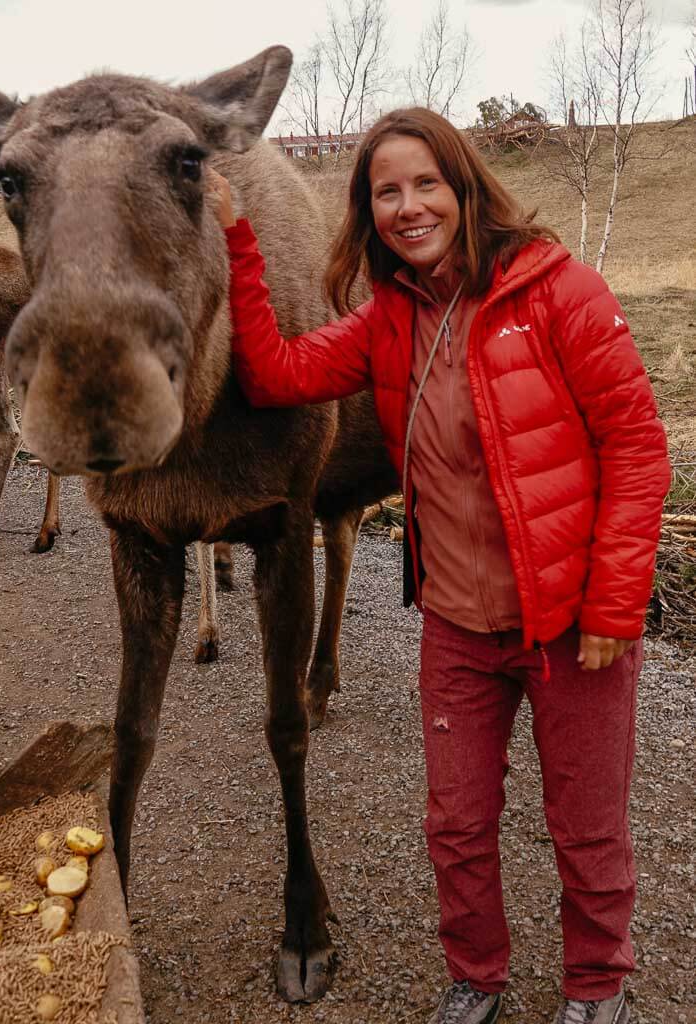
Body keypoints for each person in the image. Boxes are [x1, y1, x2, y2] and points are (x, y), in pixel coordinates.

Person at [206, 107, 670, 1024]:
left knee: (586, 828)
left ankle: (597, 987)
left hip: (574, 625)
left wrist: (617, 606)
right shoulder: (390, 319)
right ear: (368, 209)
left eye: (425, 184)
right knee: (456, 828)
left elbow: (638, 449)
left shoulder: (560, 293)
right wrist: (237, 242)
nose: (408, 207)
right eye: (387, 192)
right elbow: (277, 377)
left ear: (463, 187)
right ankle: (477, 978)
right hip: (458, 626)